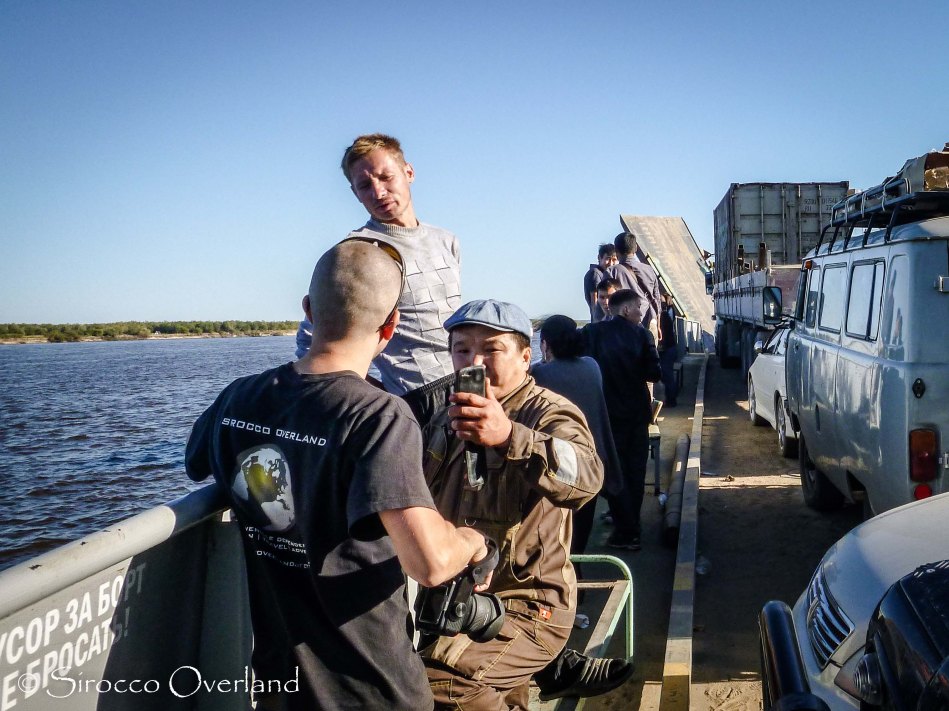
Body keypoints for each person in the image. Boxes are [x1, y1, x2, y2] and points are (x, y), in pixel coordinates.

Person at [186, 240, 490, 711]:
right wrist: (472, 541)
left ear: (308, 310)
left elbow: (195, 463)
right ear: (391, 326)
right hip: (371, 689)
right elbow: (428, 564)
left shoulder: (239, 397)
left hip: (279, 684)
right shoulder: (378, 416)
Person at [420, 300, 628, 709]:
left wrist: (509, 436)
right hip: (457, 602)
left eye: (492, 350)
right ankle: (550, 674)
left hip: (528, 604)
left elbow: (587, 478)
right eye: (462, 349)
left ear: (526, 357)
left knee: (441, 683)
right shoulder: (445, 417)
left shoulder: (549, 412)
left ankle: (551, 662)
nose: (474, 361)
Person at [295, 133, 460, 426]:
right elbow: (310, 342)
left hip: (463, 386)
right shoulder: (358, 252)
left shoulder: (446, 241)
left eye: (386, 177)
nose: (378, 192)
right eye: (364, 186)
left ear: (408, 172)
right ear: (354, 192)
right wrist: (378, 395)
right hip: (414, 399)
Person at [530, 315, 623, 556]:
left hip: (557, 466)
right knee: (579, 539)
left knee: (557, 544)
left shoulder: (539, 374)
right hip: (592, 463)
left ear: (546, 344)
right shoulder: (592, 366)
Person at [582, 289, 662, 551]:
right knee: (636, 469)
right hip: (638, 413)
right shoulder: (642, 335)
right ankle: (632, 528)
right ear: (626, 310)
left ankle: (625, 528)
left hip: (606, 415)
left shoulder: (592, 334)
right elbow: (654, 373)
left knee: (612, 471)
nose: (641, 313)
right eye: (639, 308)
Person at [607, 232, 662, 342]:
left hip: (622, 326)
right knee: (649, 357)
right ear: (635, 248)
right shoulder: (649, 270)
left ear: (616, 251)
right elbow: (657, 300)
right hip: (649, 321)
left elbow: (607, 300)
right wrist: (658, 325)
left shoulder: (611, 272)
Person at [583, 244, 618, 322]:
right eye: (608, 259)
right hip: (600, 322)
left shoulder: (605, 274)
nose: (611, 263)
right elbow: (594, 301)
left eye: (614, 260)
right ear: (599, 258)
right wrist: (597, 323)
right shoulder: (595, 273)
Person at [658, 292, 679, 407]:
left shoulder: (663, 316)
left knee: (667, 375)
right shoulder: (669, 313)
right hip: (670, 348)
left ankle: (670, 400)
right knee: (668, 375)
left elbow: (663, 336)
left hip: (666, 349)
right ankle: (671, 400)